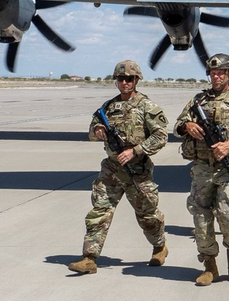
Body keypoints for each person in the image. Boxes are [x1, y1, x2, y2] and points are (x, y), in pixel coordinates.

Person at [68, 60, 169, 275]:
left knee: (148, 216)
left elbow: (161, 136)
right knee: (100, 211)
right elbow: (93, 127)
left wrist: (136, 151)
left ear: (136, 80)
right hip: (112, 169)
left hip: (137, 171)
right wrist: (98, 129)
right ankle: (89, 258)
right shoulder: (109, 107)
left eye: (129, 79)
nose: (124, 82)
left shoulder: (147, 107)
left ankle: (159, 246)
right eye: (121, 79)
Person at [175, 53, 229, 286]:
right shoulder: (198, 100)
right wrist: (188, 125)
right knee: (201, 219)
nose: (216, 76)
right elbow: (178, 124)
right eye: (212, 73)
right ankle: (209, 266)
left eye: (220, 72)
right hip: (202, 168)